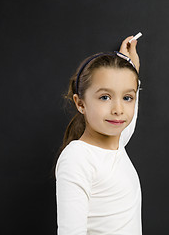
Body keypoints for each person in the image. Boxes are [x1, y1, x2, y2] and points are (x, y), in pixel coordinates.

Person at [55, 35, 142, 235]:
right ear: (80, 103)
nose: (118, 109)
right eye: (105, 97)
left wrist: (131, 67)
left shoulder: (118, 144)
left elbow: (129, 114)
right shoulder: (78, 158)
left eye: (127, 97)